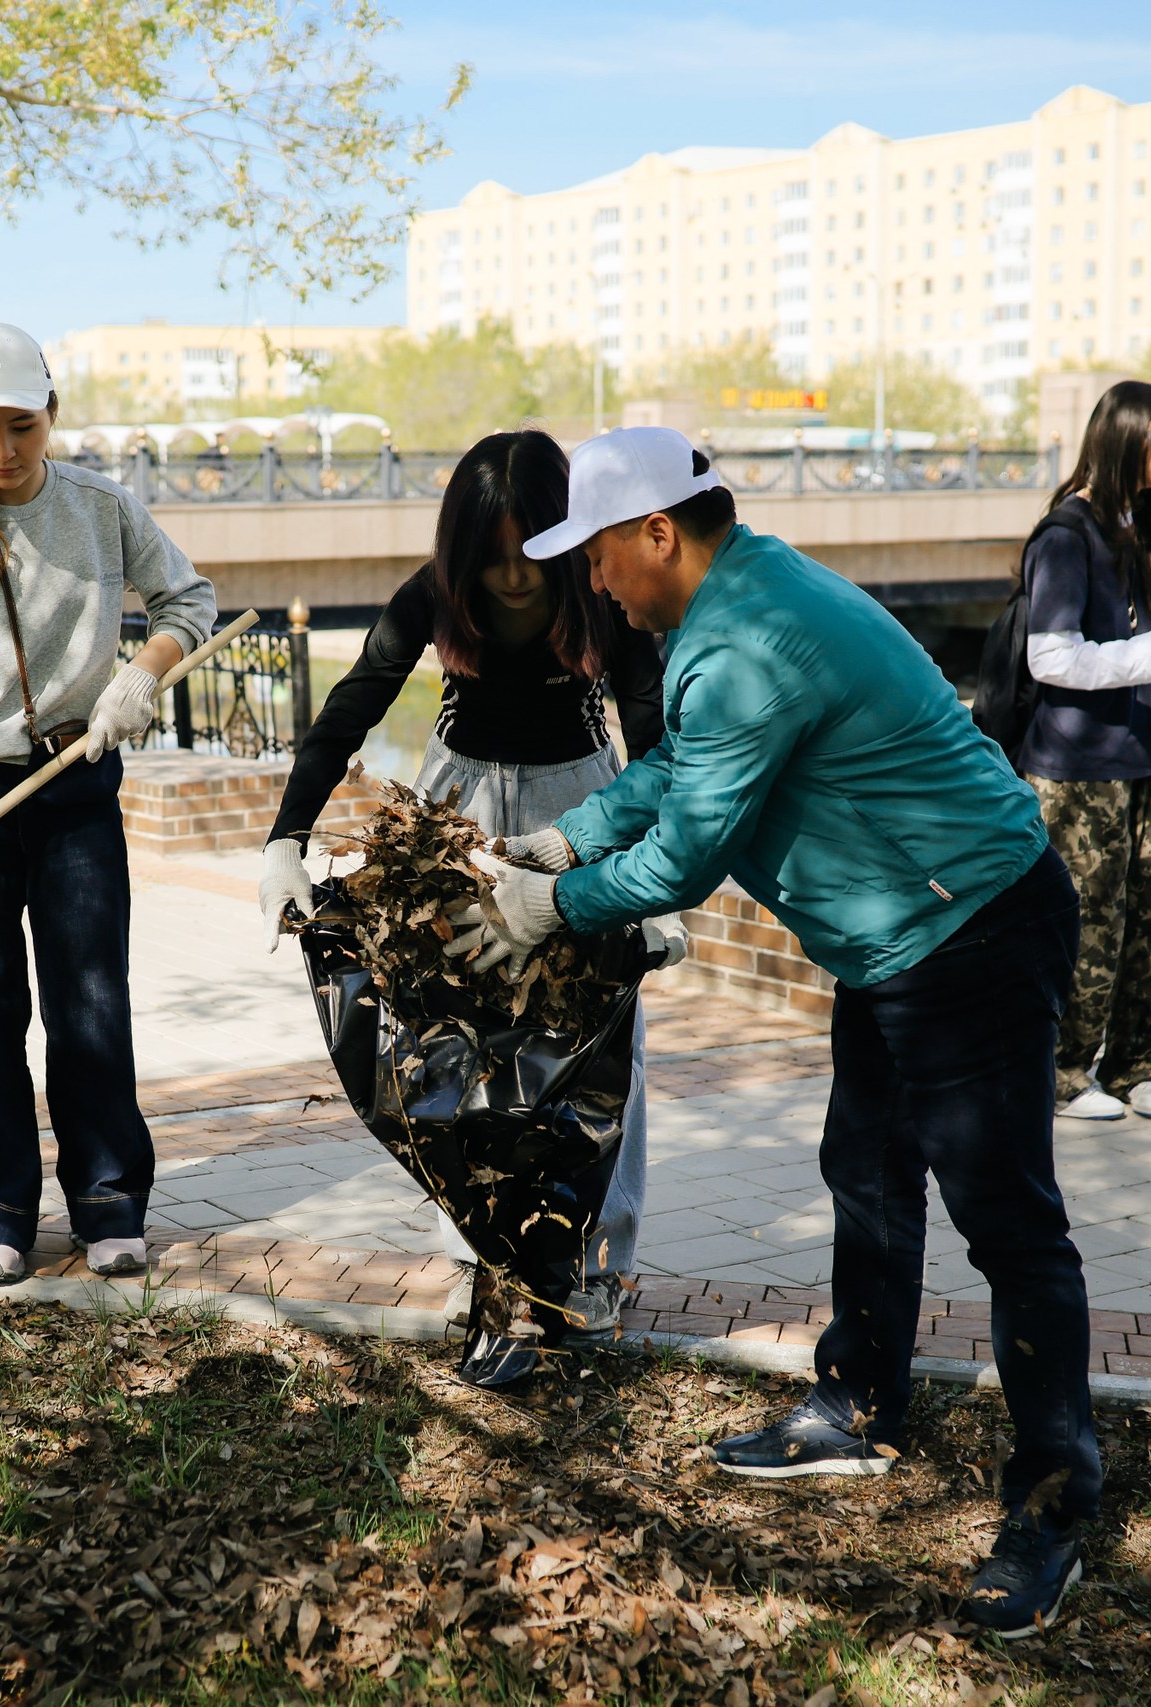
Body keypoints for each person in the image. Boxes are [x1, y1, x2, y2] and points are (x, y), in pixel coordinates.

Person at [451, 427, 1101, 1638]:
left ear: (657, 534)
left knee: (1009, 1225)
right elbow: (682, 774)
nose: (592, 579)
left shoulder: (745, 639)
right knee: (865, 1169)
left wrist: (552, 906)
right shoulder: (737, 600)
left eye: (597, 553)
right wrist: (567, 837)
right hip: (899, 936)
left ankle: (1053, 1504)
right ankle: (856, 1408)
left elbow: (686, 857)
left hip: (970, 930)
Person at [255, 429, 676, 1333]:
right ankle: (479, 1256)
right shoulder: (433, 593)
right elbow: (354, 703)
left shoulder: (596, 589)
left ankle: (600, 1260)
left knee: (602, 1036)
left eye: (531, 549)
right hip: (460, 809)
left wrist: (659, 883)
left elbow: (654, 732)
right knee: (454, 1035)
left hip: (581, 805)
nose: (514, 575)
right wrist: (285, 837)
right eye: (492, 554)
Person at [0, 320, 216, 1285]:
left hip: (75, 783)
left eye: (21, 425)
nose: (3, 451)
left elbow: (189, 601)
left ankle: (108, 1203)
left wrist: (141, 672)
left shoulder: (102, 507)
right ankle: (0, 1213)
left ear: (52, 412)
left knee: (90, 1001)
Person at [1017, 380, 1151, 1121]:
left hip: (1139, 757)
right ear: (1123, 436)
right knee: (1087, 923)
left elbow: (1149, 650)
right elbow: (1050, 656)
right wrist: (1142, 658)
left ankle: (1136, 1061)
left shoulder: (1142, 531)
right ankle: (1061, 1070)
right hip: (1076, 767)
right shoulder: (1066, 536)